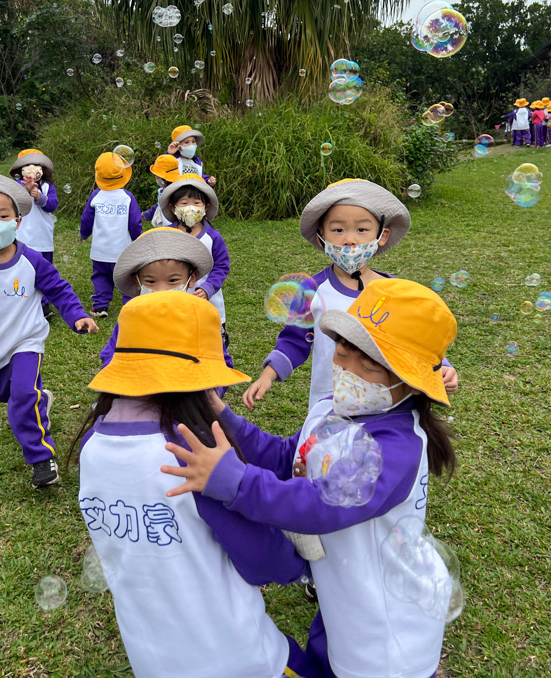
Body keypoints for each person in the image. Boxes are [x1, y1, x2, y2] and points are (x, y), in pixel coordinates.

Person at [161, 278, 459, 678]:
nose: (346, 370)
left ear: (412, 383)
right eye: (342, 353)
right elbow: (291, 457)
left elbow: (321, 504)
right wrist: (228, 421)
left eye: (368, 366)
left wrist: (236, 483)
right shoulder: (332, 410)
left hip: (383, 629)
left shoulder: (397, 449)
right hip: (341, 590)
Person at [72, 291, 313, 678]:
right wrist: (298, 566)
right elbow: (261, 560)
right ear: (199, 382)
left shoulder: (91, 446)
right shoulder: (194, 455)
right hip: (239, 658)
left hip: (151, 659)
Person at [242, 178, 459, 412]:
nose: (349, 239)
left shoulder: (396, 292)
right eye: (338, 230)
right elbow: (294, 341)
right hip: (330, 404)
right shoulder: (312, 290)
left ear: (382, 235)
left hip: (386, 404)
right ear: (321, 237)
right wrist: (268, 374)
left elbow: (418, 341)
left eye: (362, 229)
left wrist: (442, 368)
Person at [0, 174, 98, 488]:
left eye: (3, 216)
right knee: (9, 396)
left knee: (23, 395)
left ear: (17, 220)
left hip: (28, 340)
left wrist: (77, 316)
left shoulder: (31, 260)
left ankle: (41, 459)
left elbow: (58, 289)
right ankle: (39, 402)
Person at [98, 226, 216, 367]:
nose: (162, 290)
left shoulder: (200, 316)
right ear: (137, 281)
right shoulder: (131, 315)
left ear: (192, 278)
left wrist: (215, 382)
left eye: (173, 280)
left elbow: (218, 358)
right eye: (151, 282)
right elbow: (111, 353)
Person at [159, 174, 231, 355]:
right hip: (175, 304)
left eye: (196, 203)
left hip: (208, 302)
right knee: (179, 342)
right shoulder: (166, 235)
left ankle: (219, 370)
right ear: (172, 207)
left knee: (212, 344)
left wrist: (209, 287)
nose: (190, 208)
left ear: (206, 206)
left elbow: (221, 266)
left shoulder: (213, 237)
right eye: (184, 203)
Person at [79, 153, 142, 318]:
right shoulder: (127, 197)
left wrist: (83, 234)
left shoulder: (96, 196)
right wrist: (138, 239)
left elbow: (86, 219)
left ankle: (100, 306)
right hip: (123, 251)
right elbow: (135, 222)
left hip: (100, 251)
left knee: (101, 276)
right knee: (127, 278)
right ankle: (130, 307)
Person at [9, 149, 58, 317]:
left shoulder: (47, 187)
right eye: (27, 165)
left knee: (44, 272)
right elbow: (11, 203)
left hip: (43, 239)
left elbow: (52, 205)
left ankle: (43, 305)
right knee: (22, 272)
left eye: (37, 165)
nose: (32, 169)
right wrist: (25, 190)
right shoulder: (15, 187)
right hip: (22, 238)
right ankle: (23, 303)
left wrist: (39, 197)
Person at [140, 154, 181, 228]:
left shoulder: (178, 191)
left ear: (164, 178)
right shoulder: (163, 190)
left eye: (157, 175)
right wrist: (145, 215)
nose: (155, 177)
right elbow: (159, 206)